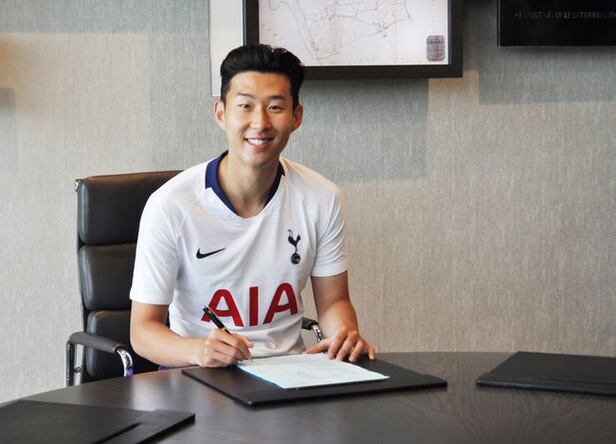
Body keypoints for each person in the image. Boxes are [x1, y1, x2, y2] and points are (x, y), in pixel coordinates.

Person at [129, 44, 375, 368]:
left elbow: (334, 302)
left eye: (275, 107)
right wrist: (198, 351)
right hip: (197, 376)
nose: (260, 122)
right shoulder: (170, 205)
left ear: (296, 117)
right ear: (220, 113)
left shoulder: (322, 198)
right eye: (245, 106)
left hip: (290, 376)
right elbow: (142, 331)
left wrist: (344, 333)